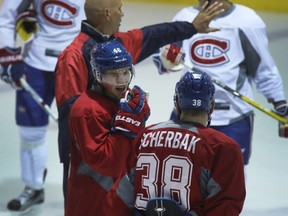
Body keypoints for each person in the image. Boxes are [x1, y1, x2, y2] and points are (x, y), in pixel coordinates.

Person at [55, 0, 225, 200]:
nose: (122, 14)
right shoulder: (74, 55)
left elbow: (151, 35)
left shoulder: (116, 44)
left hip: (118, 148)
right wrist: (121, 124)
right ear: (107, 13)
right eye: (119, 9)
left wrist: (191, 28)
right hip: (87, 157)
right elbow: (74, 114)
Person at [152, 0, 288, 171]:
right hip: (187, 114)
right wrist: (165, 60)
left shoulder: (247, 21)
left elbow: (262, 67)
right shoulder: (185, 17)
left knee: (229, 180)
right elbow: (165, 60)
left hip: (233, 118)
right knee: (179, 174)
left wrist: (279, 102)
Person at [104, 71, 246, 216]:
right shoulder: (223, 147)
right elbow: (225, 206)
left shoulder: (145, 136)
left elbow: (119, 197)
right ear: (212, 106)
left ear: (177, 103)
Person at [0, 0, 86, 212]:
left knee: (83, 133)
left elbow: (106, 17)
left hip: (75, 62)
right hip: (34, 62)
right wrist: (7, 53)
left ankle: (86, 191)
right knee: (30, 132)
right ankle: (34, 186)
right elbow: (7, 16)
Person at [65, 40, 150, 216]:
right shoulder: (87, 110)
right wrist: (130, 122)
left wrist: (137, 120)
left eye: (126, 72)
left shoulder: (121, 101)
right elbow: (108, 164)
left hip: (115, 200)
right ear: (97, 75)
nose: (122, 81)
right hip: (92, 205)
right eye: (113, 74)